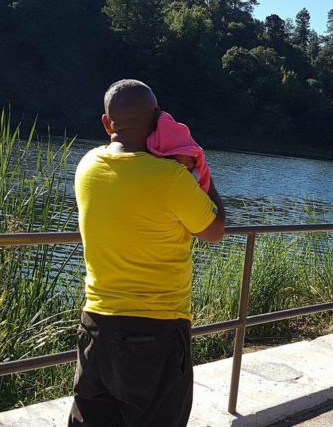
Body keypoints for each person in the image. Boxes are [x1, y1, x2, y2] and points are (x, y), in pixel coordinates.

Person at [70, 80, 226, 427]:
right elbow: (214, 230)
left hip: (96, 327)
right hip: (157, 332)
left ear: (107, 124)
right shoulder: (172, 179)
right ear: (158, 120)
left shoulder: (86, 167)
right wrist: (202, 171)